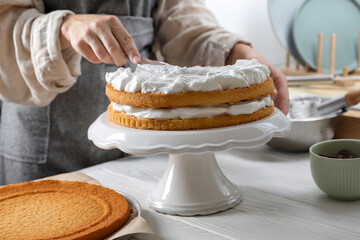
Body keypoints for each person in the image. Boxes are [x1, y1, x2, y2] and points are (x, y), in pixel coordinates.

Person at [0, 0, 289, 185]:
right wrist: (63, 28)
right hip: (45, 156)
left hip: (142, 158)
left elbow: (183, 19)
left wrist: (236, 53)